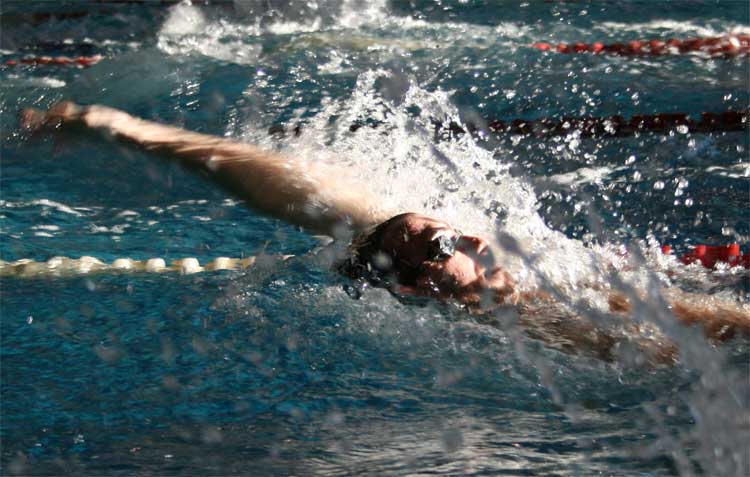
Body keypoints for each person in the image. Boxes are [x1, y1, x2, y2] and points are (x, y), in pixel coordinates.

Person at [20, 102, 750, 362]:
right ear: (422, 289)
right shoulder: (554, 322)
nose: (471, 240)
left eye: (449, 230)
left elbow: (249, 169)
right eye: (443, 248)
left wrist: (116, 124)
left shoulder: (394, 235)